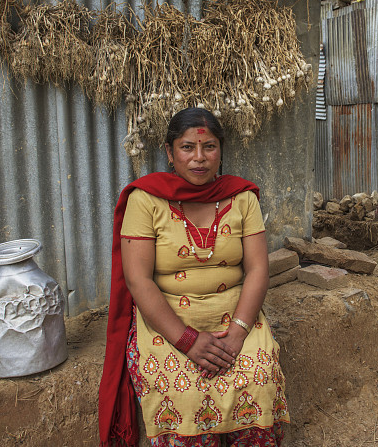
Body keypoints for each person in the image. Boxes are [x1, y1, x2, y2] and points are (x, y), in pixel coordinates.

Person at [99, 107, 289, 447]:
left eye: (209, 147)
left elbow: (258, 269)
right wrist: (187, 340)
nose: (199, 158)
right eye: (187, 147)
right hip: (168, 320)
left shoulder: (243, 197)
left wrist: (237, 333)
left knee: (258, 377)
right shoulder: (145, 200)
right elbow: (139, 280)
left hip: (236, 317)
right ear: (170, 154)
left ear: (221, 151)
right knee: (178, 388)